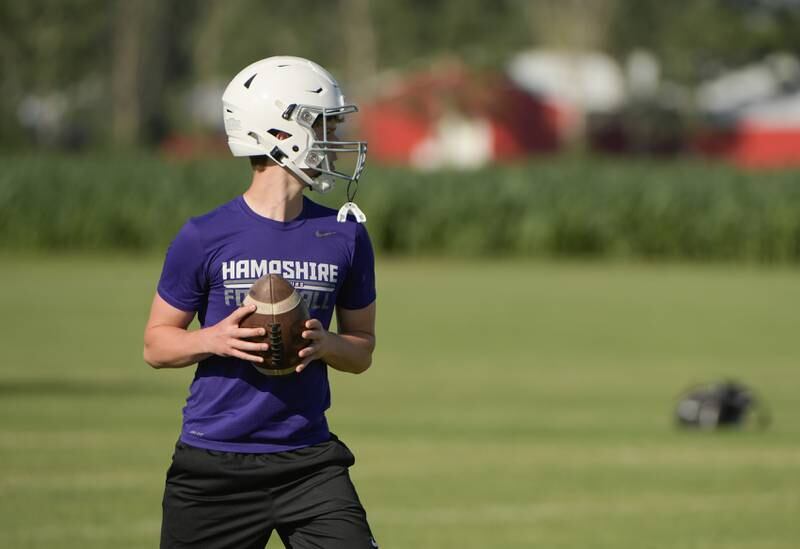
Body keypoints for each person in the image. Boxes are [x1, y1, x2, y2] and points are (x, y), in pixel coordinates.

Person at [143, 56, 378, 549]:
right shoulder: (204, 235)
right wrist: (214, 339)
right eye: (323, 124)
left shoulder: (345, 235)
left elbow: (362, 352)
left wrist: (326, 343)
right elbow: (156, 346)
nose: (335, 140)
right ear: (281, 133)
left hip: (308, 462)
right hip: (213, 465)